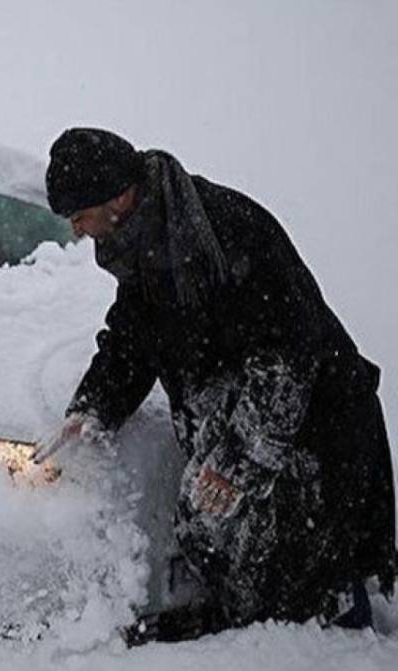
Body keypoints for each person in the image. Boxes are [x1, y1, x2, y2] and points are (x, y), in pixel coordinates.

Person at [35, 127, 396, 640]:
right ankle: (253, 633)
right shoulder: (142, 247)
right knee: (215, 533)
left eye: (78, 216)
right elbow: (132, 341)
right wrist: (91, 408)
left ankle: (332, 640)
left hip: (312, 435)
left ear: (118, 197)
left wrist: (234, 462)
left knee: (305, 580)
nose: (76, 232)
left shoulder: (226, 232)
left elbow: (287, 360)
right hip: (253, 429)